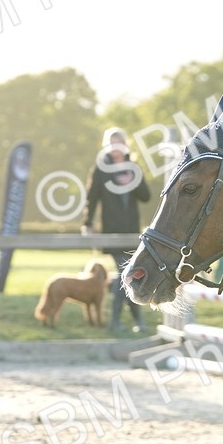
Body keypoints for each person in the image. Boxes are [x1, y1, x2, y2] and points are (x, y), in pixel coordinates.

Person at [82, 128, 150, 333]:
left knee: (130, 276)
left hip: (131, 233)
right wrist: (88, 223)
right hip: (111, 233)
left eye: (119, 143)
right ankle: (119, 321)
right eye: (112, 143)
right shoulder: (101, 170)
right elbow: (92, 198)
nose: (116, 148)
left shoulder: (133, 168)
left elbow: (146, 196)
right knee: (126, 275)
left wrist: (133, 179)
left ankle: (132, 321)